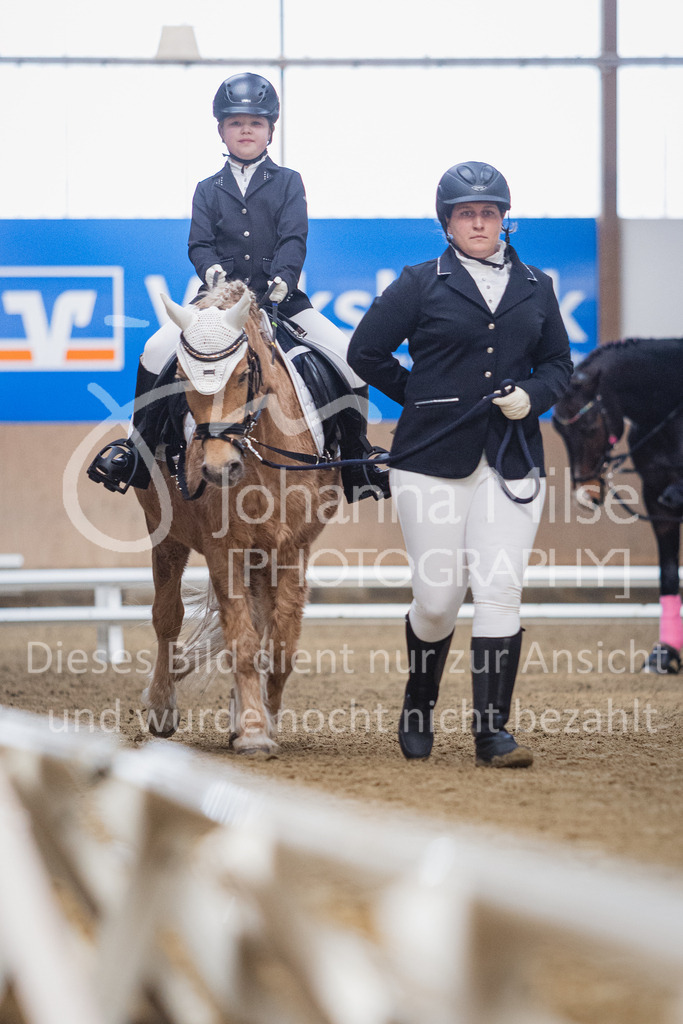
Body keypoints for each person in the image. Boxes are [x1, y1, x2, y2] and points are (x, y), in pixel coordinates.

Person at [347, 161, 573, 768]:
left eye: (489, 213)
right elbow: (364, 350)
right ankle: (419, 703)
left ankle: (492, 733)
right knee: (439, 597)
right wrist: (421, 396)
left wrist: (536, 396)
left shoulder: (537, 284)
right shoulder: (421, 282)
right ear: (447, 223)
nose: (479, 222)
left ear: (504, 220)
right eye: (467, 214)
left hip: (512, 457)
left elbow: (559, 365)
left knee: (499, 587)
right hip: (430, 458)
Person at [88, 72, 386, 501]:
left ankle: (358, 461)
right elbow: (199, 243)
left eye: (255, 123)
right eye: (236, 122)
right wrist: (212, 274)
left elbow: (293, 238)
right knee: (155, 349)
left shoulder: (288, 181)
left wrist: (284, 279)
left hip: (280, 298)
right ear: (221, 130)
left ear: (270, 130)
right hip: (215, 302)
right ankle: (137, 451)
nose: (246, 130)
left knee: (348, 357)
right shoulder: (207, 189)